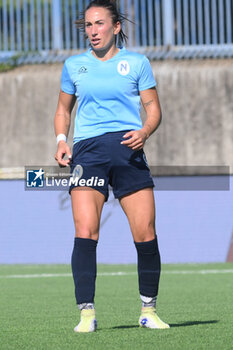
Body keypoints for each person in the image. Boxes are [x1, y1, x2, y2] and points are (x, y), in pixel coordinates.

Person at [54, 0, 169, 333]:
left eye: (99, 24)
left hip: (128, 152)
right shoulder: (74, 66)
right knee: (85, 229)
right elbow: (63, 110)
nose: (93, 31)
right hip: (88, 153)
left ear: (116, 27)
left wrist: (145, 131)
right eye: (88, 25)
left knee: (145, 233)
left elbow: (153, 110)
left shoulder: (137, 63)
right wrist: (62, 139)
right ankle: (86, 314)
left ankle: (149, 310)